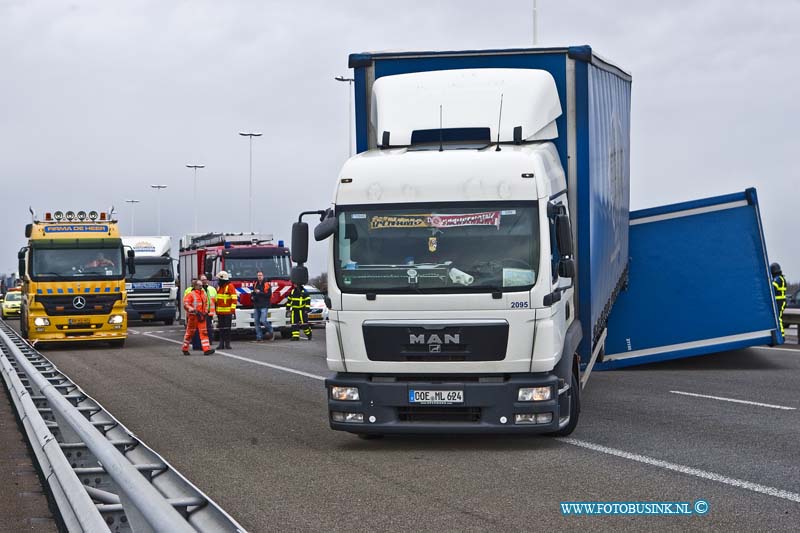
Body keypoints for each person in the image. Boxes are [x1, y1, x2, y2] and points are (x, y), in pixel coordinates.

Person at [181, 280, 215, 356]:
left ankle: (206, 349)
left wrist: (205, 312)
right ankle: (185, 348)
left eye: (201, 285)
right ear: (195, 286)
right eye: (199, 285)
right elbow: (186, 304)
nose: (201, 287)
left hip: (201, 317)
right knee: (190, 333)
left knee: (204, 333)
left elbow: (206, 304)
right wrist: (191, 309)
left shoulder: (203, 294)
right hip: (193, 317)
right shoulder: (190, 294)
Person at [215, 270, 237, 350]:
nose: (218, 281)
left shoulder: (229, 286)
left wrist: (232, 310)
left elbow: (234, 299)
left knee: (227, 329)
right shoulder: (219, 287)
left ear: (222, 279)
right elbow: (217, 299)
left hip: (227, 312)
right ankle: (221, 344)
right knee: (221, 329)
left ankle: (227, 344)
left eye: (219, 279)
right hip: (220, 312)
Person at [252, 271, 274, 341]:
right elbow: (254, 293)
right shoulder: (255, 284)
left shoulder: (266, 284)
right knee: (256, 322)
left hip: (264, 305)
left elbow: (269, 295)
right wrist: (252, 296)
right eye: (258, 275)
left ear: (263, 276)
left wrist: (260, 293)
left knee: (263, 321)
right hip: (257, 305)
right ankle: (259, 337)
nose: (259, 277)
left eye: (260, 275)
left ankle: (271, 332)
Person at [771, 262, 787, 337]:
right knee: (778, 318)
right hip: (779, 301)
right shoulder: (780, 278)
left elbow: (773, 287)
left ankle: (782, 336)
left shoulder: (778, 279)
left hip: (780, 302)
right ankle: (780, 335)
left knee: (778, 318)